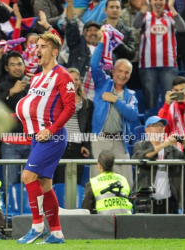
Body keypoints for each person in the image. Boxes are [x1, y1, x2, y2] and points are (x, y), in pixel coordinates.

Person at [15, 32, 75, 244]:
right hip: (38, 137)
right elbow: (34, 107)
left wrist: (52, 129)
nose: (37, 50)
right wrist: (14, 115)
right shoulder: (38, 78)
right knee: (45, 185)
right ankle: (57, 233)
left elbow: (70, 107)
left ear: (55, 51)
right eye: (37, 46)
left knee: (27, 177)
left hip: (52, 136)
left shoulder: (62, 75)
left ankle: (37, 226)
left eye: (43, 46)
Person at [90, 33, 139, 188]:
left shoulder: (131, 95)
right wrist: (101, 43)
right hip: (100, 139)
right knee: (99, 181)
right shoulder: (103, 83)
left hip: (119, 141)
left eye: (127, 73)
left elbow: (133, 116)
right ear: (113, 71)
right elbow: (93, 64)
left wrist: (115, 100)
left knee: (127, 182)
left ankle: (124, 210)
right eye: (120, 71)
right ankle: (98, 212)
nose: (123, 75)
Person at [132, 116, 185, 214]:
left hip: (169, 202)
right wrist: (163, 145)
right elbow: (141, 157)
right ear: (147, 130)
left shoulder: (172, 150)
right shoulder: (141, 145)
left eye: (162, 125)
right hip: (146, 201)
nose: (160, 128)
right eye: (155, 125)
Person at [133, 0, 185, 109]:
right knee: (151, 101)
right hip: (148, 66)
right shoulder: (145, 16)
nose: (158, 2)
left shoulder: (170, 16)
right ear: (150, 2)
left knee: (171, 101)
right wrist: (144, 7)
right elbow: (136, 25)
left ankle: (171, 124)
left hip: (169, 66)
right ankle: (153, 125)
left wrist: (172, 8)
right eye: (155, 0)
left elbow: (182, 28)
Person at [0, 51, 31, 190]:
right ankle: (9, 211)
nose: (17, 67)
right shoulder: (1, 87)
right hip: (10, 142)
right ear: (6, 68)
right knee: (10, 183)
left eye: (20, 64)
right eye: (12, 65)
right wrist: (10, 92)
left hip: (32, 141)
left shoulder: (33, 86)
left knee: (33, 183)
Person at [53, 67, 94, 185]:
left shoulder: (87, 103)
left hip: (78, 147)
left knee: (75, 184)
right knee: (59, 182)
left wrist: (86, 145)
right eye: (71, 79)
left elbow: (88, 127)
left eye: (77, 79)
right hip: (60, 145)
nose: (74, 82)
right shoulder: (55, 100)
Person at [65, 0, 102, 100]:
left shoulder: (106, 51)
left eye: (96, 30)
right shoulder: (77, 46)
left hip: (97, 97)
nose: (93, 33)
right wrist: (70, 4)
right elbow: (72, 23)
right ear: (84, 33)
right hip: (76, 94)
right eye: (89, 30)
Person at [82, 150, 132, 214]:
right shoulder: (123, 180)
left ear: (99, 165)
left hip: (104, 222)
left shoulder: (93, 183)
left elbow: (86, 210)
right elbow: (130, 201)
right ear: (113, 165)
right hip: (127, 221)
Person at [120, 0, 143, 89]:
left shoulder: (149, 14)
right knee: (129, 89)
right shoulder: (123, 14)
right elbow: (123, 35)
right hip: (130, 59)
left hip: (146, 60)